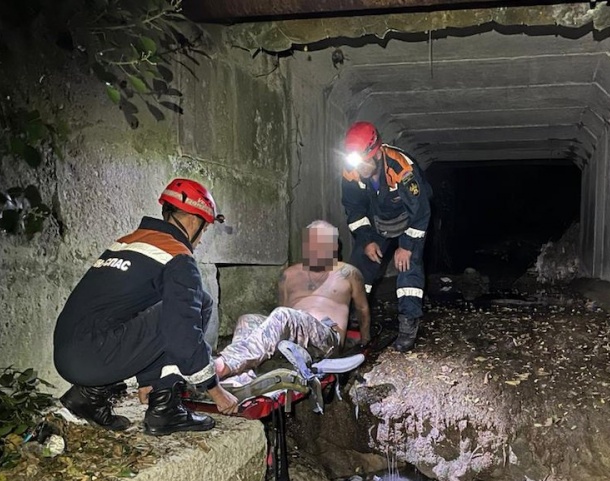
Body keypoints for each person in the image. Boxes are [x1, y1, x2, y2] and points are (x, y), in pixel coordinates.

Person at [53, 178, 239, 436]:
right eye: (204, 231)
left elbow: (128, 313)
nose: (199, 241)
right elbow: (182, 333)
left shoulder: (128, 241)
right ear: (195, 222)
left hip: (67, 354)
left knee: (165, 305)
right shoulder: (177, 256)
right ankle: (166, 410)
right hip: (93, 358)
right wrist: (215, 391)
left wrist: (150, 378)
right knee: (198, 305)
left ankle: (88, 398)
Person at [211, 220, 370, 382]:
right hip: (292, 341)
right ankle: (240, 379)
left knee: (284, 315)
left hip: (326, 338)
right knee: (247, 320)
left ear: (334, 246)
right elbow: (280, 317)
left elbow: (362, 309)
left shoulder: (348, 273)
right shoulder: (289, 274)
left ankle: (225, 363)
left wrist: (365, 342)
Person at [341, 121, 432, 352]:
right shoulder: (351, 171)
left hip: (410, 220)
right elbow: (354, 209)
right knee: (360, 267)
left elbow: (421, 212)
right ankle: (354, 319)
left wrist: (407, 246)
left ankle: (408, 325)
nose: (360, 169)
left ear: (376, 152)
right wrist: (366, 239)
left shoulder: (400, 166)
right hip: (379, 223)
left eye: (364, 162)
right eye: (356, 163)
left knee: (407, 269)